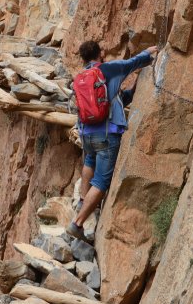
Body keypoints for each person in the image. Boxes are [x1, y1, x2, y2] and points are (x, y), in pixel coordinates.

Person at [66, 41, 158, 243]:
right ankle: (78, 223)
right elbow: (133, 63)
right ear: (101, 53)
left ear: (83, 58)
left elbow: (111, 99)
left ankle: (83, 201)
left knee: (90, 159)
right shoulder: (107, 69)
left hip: (87, 134)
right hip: (107, 134)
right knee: (102, 181)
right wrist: (149, 51)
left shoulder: (82, 77)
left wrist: (132, 92)